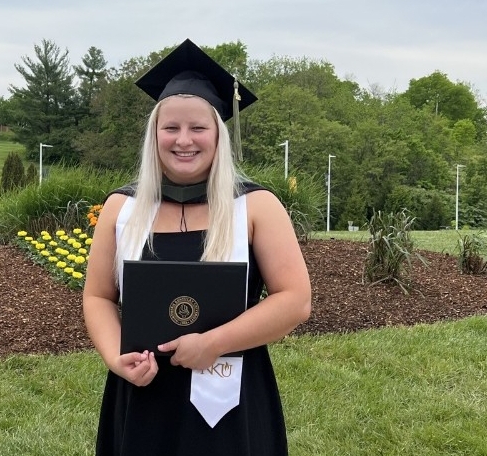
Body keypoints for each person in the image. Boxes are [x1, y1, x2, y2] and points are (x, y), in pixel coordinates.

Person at [82, 39, 312, 456]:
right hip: (143, 391)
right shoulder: (122, 208)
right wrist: (117, 358)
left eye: (198, 128)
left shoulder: (255, 206)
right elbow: (98, 296)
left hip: (230, 394)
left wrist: (213, 343)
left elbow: (295, 300)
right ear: (154, 135)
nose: (183, 140)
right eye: (170, 128)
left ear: (218, 135)